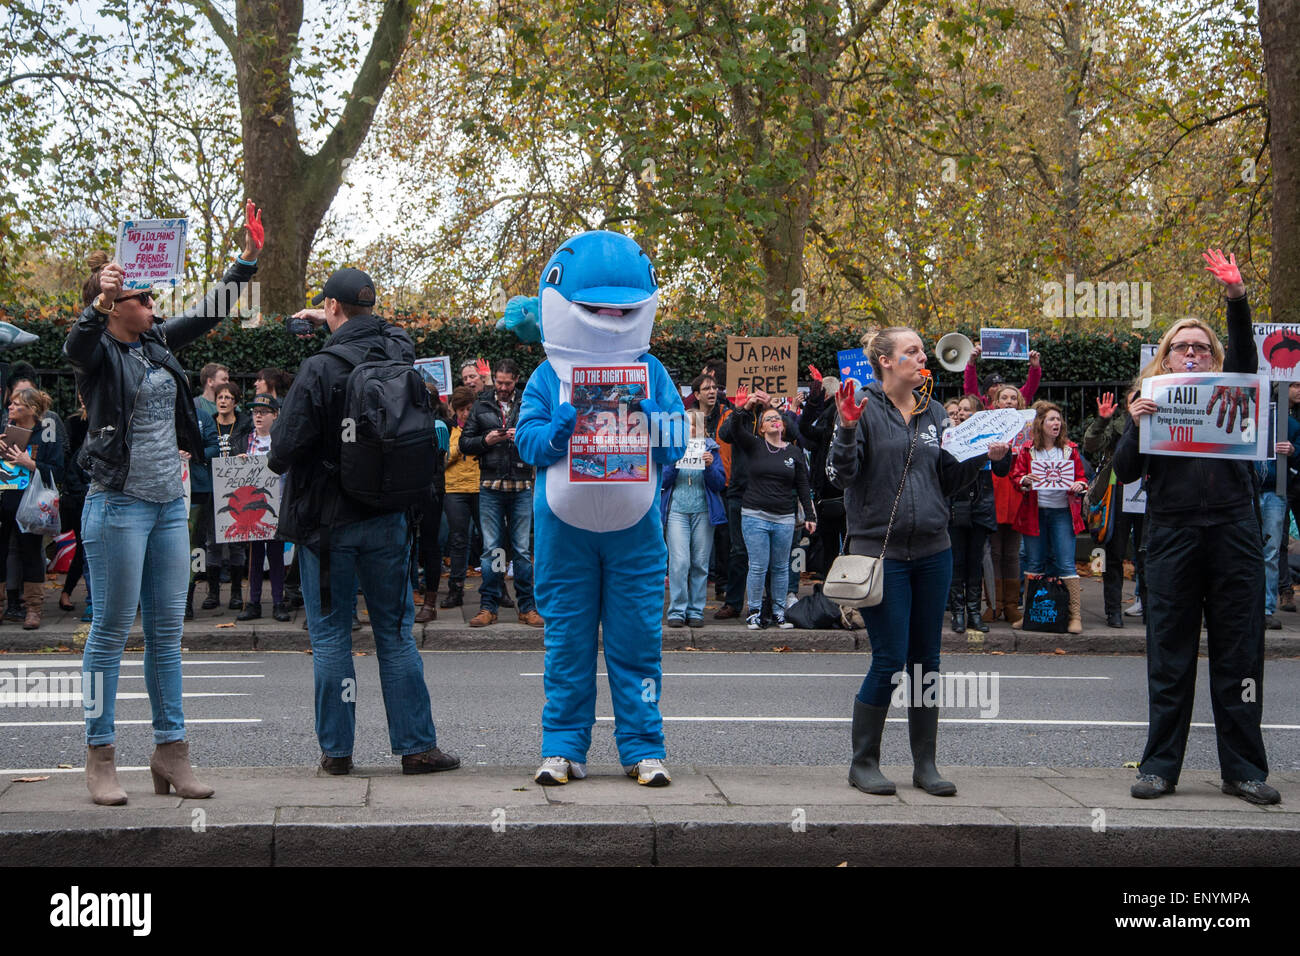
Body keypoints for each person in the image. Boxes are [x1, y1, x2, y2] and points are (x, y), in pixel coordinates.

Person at [65, 200, 262, 805]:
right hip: (117, 505)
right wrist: (95, 303)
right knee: (108, 633)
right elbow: (76, 346)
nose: (153, 306)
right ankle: (100, 756)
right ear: (114, 305)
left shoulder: (157, 345)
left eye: (153, 299)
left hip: (170, 506)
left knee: (166, 635)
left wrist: (246, 263)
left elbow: (206, 314)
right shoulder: (99, 353)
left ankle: (170, 752)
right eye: (141, 298)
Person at [268, 266, 460, 777]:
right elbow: (395, 330)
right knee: (395, 634)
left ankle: (338, 752)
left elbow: (281, 452)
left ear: (331, 308)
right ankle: (417, 748)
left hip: (327, 526)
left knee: (332, 635)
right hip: (387, 518)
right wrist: (342, 316)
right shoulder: (399, 354)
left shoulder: (317, 368)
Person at [1113, 248, 1279, 805]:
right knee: (1170, 657)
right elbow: (1126, 472)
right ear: (1166, 357)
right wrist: (1133, 425)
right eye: (1180, 346)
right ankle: (1159, 767)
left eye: (1200, 346)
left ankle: (1245, 770)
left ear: (1214, 358)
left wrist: (1236, 297)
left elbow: (1247, 356)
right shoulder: (1150, 401)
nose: (1190, 352)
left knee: (1241, 656)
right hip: (1171, 538)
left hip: (1233, 532)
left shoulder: (1234, 389)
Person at [829, 327, 1009, 797]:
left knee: (926, 662)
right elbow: (838, 476)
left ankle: (925, 765)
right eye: (911, 351)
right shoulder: (862, 406)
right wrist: (847, 429)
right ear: (885, 361)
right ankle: (863, 762)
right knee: (889, 659)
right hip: (880, 553)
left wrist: (980, 456)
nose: (922, 357)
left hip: (934, 550)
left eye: (922, 351)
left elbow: (946, 480)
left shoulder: (933, 412)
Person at [458, 358, 543, 627]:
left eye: (507, 383)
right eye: (498, 382)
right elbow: (465, 444)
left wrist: (524, 437)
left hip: (521, 485)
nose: (503, 387)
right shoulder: (481, 403)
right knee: (492, 550)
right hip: (491, 486)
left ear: (516, 379)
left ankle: (527, 607)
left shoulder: (528, 401)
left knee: (521, 550)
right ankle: (488, 607)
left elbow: (541, 436)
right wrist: (487, 440)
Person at [727, 390, 815, 629]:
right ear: (761, 429)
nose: (775, 421)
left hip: (785, 518)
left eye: (778, 418)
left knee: (780, 566)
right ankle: (754, 611)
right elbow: (734, 430)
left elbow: (803, 486)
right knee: (757, 565)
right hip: (755, 516)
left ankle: (778, 612)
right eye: (769, 419)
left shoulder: (794, 452)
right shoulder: (754, 446)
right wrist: (743, 408)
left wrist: (810, 514)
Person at [1009, 402, 1088, 633]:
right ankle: (1031, 615)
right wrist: (1025, 480)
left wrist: (1079, 485)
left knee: (1065, 563)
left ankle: (1075, 617)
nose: (1057, 423)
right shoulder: (1027, 450)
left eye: (1058, 419)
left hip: (1063, 513)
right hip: (1035, 513)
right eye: (1051, 419)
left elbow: (1082, 478)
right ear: (1040, 424)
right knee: (1034, 563)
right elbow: (1016, 477)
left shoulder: (1070, 449)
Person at [0, 388, 65, 629]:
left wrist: (32, 464)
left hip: (30, 504)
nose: (10, 407)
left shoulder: (45, 434)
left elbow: (58, 470)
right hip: (4, 499)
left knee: (31, 553)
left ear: (31, 409)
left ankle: (33, 609)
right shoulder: (5, 429)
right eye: (11, 403)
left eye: (16, 404)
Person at [947, 394, 1011, 633]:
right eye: (960, 410)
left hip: (981, 505)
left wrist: (1001, 452)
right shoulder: (950, 436)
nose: (962, 414)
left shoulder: (992, 436)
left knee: (976, 562)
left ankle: (974, 612)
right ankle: (957, 613)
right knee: (957, 561)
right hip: (956, 506)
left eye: (968, 410)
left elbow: (1003, 470)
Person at [1084, 388, 1146, 628]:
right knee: (1113, 554)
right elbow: (1091, 445)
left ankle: (1149, 611)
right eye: (1134, 400)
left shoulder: (1159, 421)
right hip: (1117, 492)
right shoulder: (1117, 424)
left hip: (1147, 492)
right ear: (1127, 404)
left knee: (1147, 554)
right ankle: (1113, 611)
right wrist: (1103, 420)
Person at [660, 408, 727, 627]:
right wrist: (675, 462)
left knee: (700, 563)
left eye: (695, 425)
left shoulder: (712, 449)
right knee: (679, 562)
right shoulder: (671, 449)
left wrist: (709, 467)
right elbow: (663, 482)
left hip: (703, 512)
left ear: (702, 429)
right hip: (677, 511)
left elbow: (719, 483)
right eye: (687, 424)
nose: (691, 429)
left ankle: (696, 610)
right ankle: (677, 610)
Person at [235, 394, 289, 622]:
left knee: (276, 557)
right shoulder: (244, 441)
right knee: (255, 557)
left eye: (264, 412)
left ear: (275, 415)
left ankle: (278, 602)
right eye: (255, 411)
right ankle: (253, 602)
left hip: (275, 506)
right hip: (251, 509)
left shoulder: (281, 442)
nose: (258, 415)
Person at [206, 380, 251, 611]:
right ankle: (213, 593)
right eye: (220, 398)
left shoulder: (245, 426)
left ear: (235, 402)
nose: (223, 401)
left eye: (228, 398)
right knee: (212, 542)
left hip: (236, 490)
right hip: (213, 488)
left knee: (236, 543)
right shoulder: (208, 424)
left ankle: (235, 593)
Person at [987, 384, 1028, 622]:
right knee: (993, 552)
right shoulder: (988, 423)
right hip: (994, 489)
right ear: (997, 402)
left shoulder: (1027, 427)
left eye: (1014, 397)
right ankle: (994, 603)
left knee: (1012, 552)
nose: (1010, 401)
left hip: (1016, 491)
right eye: (1005, 397)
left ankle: (1011, 604)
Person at [441, 386, 480, 609]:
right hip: (455, 489)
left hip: (479, 487)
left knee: (488, 539)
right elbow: (443, 458)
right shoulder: (447, 428)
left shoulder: (481, 426)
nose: (465, 414)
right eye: (461, 409)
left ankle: (496, 589)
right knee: (458, 540)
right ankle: (455, 590)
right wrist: (462, 444)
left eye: (469, 409)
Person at [413, 386, 449, 623]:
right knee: (408, 545)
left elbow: (441, 461)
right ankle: (412, 595)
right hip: (409, 489)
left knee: (430, 545)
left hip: (430, 491)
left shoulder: (438, 426)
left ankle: (429, 602)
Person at [964, 346, 1043, 408]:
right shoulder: (979, 405)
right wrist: (971, 362)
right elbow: (970, 387)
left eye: (1001, 385)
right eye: (994, 386)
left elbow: (1031, 386)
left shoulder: (1017, 399)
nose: (999, 388)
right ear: (987, 392)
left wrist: (1035, 367)